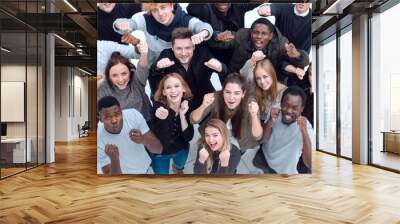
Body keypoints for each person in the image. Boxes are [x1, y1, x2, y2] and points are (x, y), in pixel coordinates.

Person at [209, 18, 309, 84]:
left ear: (271, 36)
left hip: (268, 85)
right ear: (251, 32)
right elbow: (216, 43)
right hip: (240, 80)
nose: (259, 37)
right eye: (256, 33)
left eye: (264, 34)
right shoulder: (241, 35)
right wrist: (217, 37)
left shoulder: (281, 43)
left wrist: (297, 55)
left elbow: (303, 63)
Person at [149, 27, 228, 109]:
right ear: (172, 48)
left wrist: (220, 67)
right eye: (179, 48)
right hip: (180, 107)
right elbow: (153, 75)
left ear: (193, 47)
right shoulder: (167, 55)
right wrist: (157, 67)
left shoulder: (202, 53)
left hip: (205, 103)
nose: (183, 53)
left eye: (187, 48)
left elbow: (225, 72)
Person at [113, 3, 213, 65]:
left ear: (171, 5)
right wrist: (120, 25)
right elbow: (130, 23)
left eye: (163, 7)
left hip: (179, 64)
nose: (160, 13)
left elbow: (202, 26)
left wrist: (203, 33)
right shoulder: (145, 19)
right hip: (155, 64)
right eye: (155, 10)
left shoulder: (184, 20)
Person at [186, 3, 265, 78]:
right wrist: (217, 36)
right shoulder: (204, 8)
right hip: (209, 50)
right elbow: (191, 8)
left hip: (232, 51)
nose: (222, 4)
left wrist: (270, 8)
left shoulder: (238, 5)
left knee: (233, 80)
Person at [190, 73, 263, 153]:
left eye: (237, 93)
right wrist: (203, 106)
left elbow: (257, 136)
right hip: (215, 137)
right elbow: (193, 120)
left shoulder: (250, 104)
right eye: (228, 92)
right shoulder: (216, 97)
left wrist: (254, 115)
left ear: (243, 94)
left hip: (239, 142)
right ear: (223, 92)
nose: (231, 98)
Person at [253, 86, 313, 174]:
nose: (289, 110)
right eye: (286, 105)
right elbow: (263, 140)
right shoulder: (275, 110)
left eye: (294, 108)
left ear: (301, 109)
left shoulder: (306, 127)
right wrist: (270, 121)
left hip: (283, 173)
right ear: (281, 103)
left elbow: (309, 163)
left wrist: (304, 132)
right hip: (263, 160)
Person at [97, 96, 163, 175]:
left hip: (147, 171)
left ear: (121, 112)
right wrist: (114, 159)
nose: (114, 120)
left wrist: (143, 139)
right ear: (100, 118)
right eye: (107, 117)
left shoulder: (133, 115)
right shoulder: (98, 139)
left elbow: (158, 149)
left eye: (117, 114)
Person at [150, 73, 194, 174]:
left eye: (177, 86)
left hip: (181, 150)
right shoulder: (158, 107)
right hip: (161, 154)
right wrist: (162, 117)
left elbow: (188, 137)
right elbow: (163, 139)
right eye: (168, 87)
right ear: (164, 92)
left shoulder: (186, 106)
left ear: (183, 89)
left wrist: (182, 115)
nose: (173, 90)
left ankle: (178, 169)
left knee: (179, 166)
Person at [97, 46, 152, 122]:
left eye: (124, 74)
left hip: (146, 124)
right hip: (119, 130)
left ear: (130, 72)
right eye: (114, 75)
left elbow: (142, 67)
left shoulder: (136, 80)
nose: (121, 80)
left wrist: (144, 54)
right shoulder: (104, 87)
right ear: (108, 76)